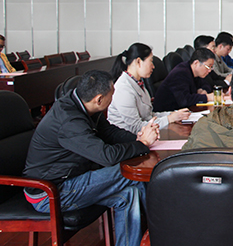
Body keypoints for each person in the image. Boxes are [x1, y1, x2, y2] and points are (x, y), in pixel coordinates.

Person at [23, 70, 158, 246]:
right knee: (131, 173)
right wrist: (142, 144)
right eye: (112, 95)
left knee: (129, 195)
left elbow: (109, 132)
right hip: (50, 191)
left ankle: (151, 236)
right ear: (99, 99)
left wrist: (137, 138)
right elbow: (107, 157)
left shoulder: (83, 104)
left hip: (71, 179)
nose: (113, 99)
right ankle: (160, 232)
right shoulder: (69, 121)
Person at [107, 43, 190, 133]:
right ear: (138, 61)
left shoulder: (138, 83)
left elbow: (149, 116)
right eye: (151, 61)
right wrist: (169, 119)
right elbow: (136, 127)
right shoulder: (123, 89)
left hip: (144, 134)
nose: (153, 66)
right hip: (128, 137)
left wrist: (174, 114)